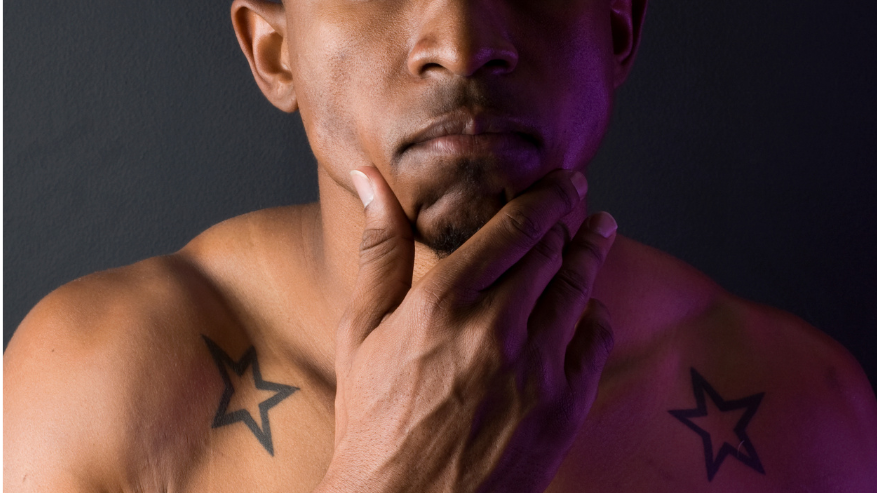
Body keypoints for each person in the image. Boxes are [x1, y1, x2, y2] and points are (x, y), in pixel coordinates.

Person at [3, 0, 876, 490]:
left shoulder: (800, 411)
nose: (461, 45)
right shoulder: (97, 384)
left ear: (616, 32)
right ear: (273, 50)